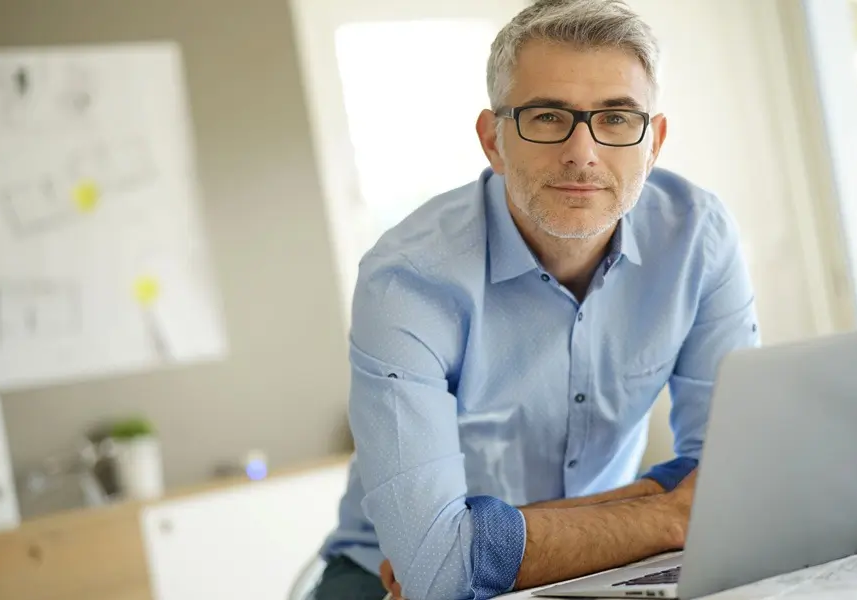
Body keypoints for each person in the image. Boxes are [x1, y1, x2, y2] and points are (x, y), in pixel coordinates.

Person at [313, 1, 760, 598]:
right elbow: (437, 573)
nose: (583, 152)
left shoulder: (698, 237)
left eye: (617, 118)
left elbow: (732, 476)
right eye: (548, 117)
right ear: (492, 140)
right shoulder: (407, 280)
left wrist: (488, 542)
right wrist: (671, 516)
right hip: (381, 577)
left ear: (653, 143)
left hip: (605, 561)